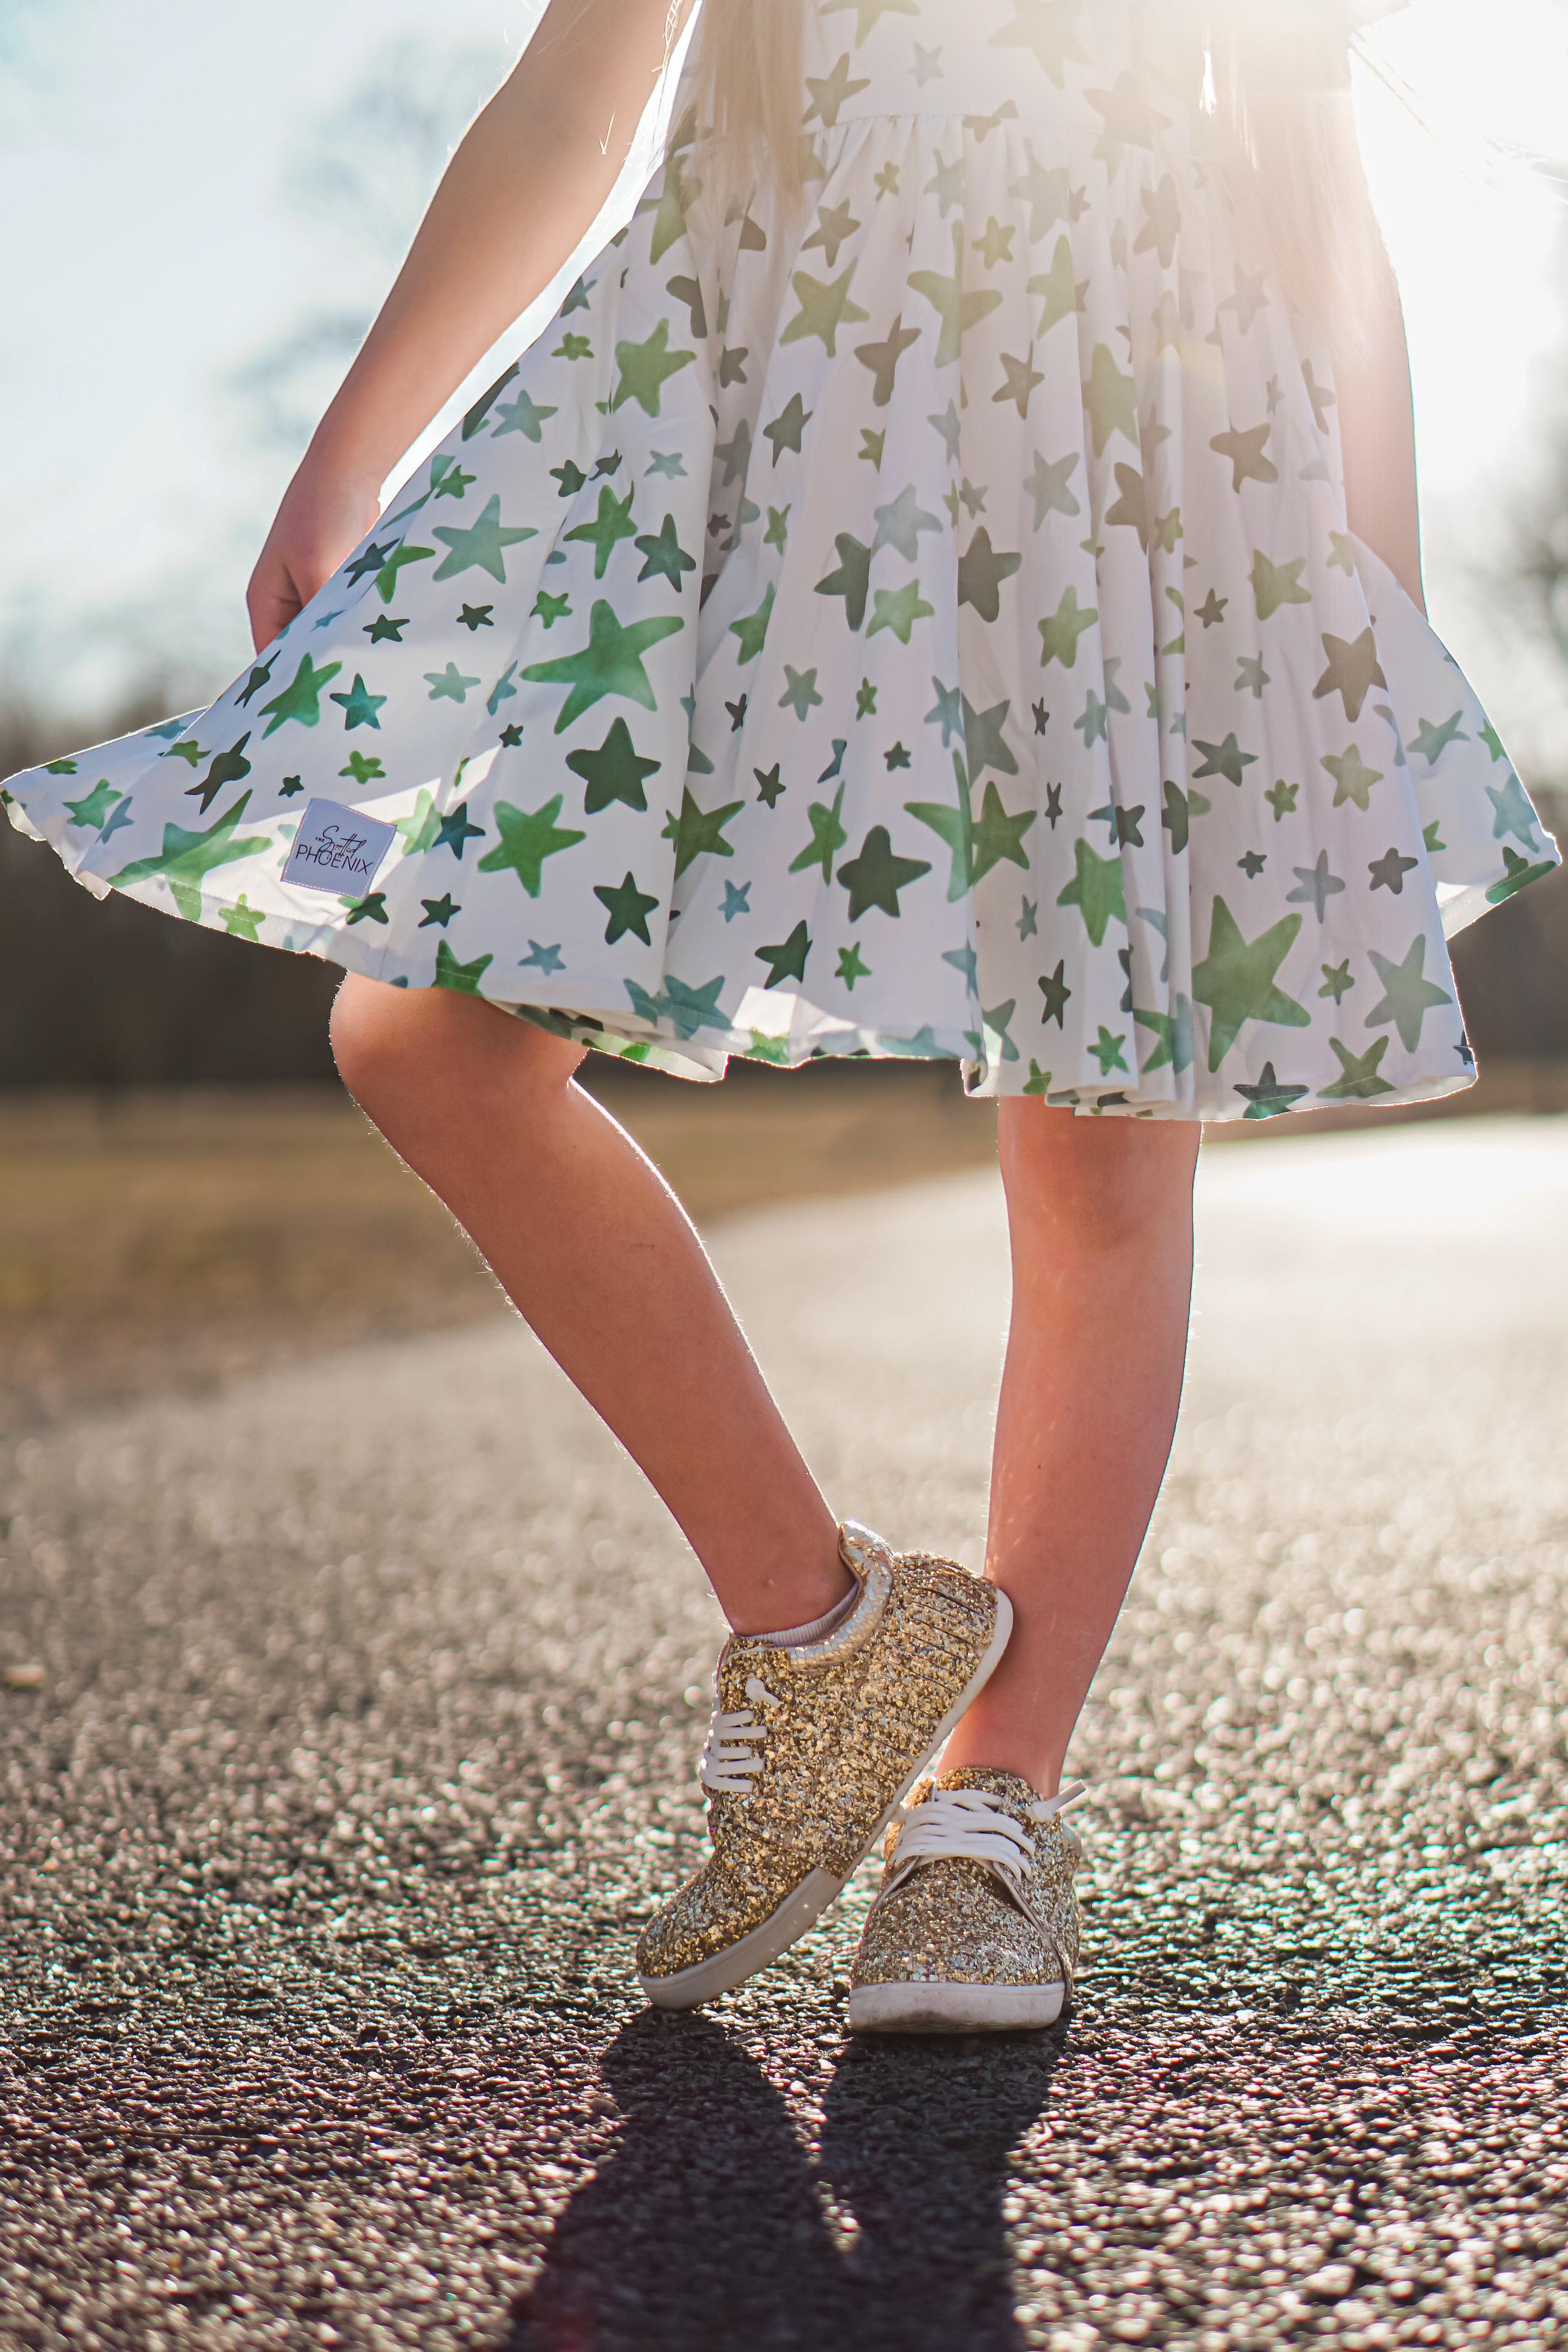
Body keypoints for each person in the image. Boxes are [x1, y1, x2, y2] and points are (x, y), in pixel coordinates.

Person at [6, 0, 1557, 2033]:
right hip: (726, 422)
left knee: (1101, 1129)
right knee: (424, 1035)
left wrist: (1370, 622)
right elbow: (577, 92)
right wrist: (352, 443)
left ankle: (988, 1817)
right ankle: (817, 1627)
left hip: (1127, 435)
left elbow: (1309, 188)